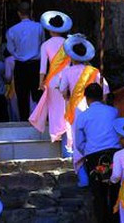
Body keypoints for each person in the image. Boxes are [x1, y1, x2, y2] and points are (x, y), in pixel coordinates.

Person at [59, 34, 109, 182]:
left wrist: (69, 96)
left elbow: (63, 91)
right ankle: (98, 173)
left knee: (78, 141)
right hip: (93, 108)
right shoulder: (94, 71)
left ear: (71, 55)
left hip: (76, 109)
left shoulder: (67, 71)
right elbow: (105, 90)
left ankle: (83, 177)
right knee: (93, 138)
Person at [75, 83, 121, 223]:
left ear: (86, 98)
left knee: (98, 193)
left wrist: (88, 150)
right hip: (114, 154)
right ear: (102, 97)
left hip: (94, 156)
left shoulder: (83, 116)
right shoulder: (113, 111)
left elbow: (79, 143)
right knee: (115, 190)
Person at [29, 11, 72, 147]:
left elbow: (43, 68)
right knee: (67, 108)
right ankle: (68, 138)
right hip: (69, 78)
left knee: (55, 109)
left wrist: (40, 83)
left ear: (49, 29)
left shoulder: (46, 45)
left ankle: (57, 134)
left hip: (53, 80)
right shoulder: (68, 43)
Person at [5, 1, 44, 120]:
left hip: (20, 65)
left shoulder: (12, 30)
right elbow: (42, 44)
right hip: (35, 65)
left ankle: (24, 120)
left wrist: (19, 55)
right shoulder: (39, 27)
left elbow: (10, 49)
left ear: (19, 13)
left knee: (22, 95)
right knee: (38, 93)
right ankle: (40, 119)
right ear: (30, 12)